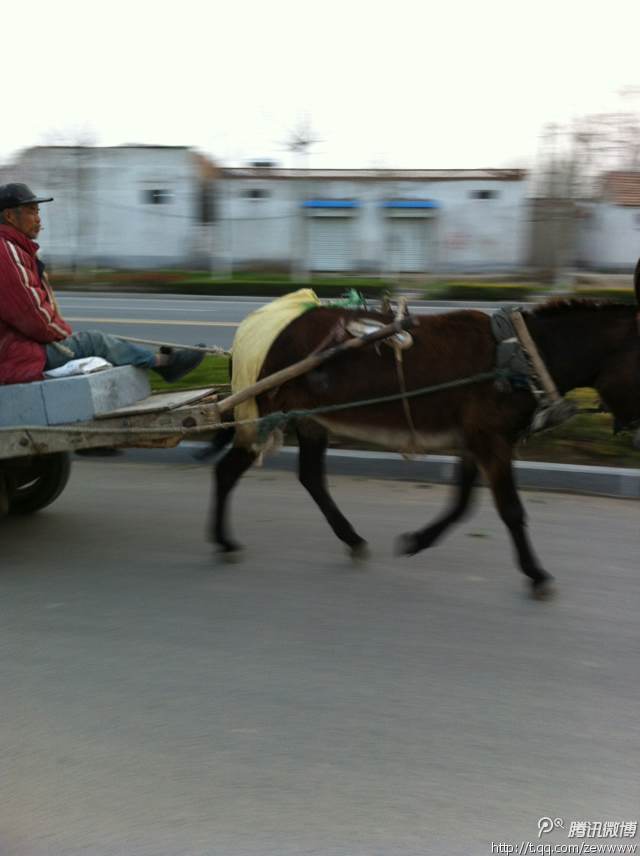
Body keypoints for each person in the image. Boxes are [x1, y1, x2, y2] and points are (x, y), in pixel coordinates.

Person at [0, 182, 204, 385]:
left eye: (37, 211)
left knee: (93, 343)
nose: (38, 218)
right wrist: (64, 335)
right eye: (32, 211)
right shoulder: (6, 251)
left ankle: (160, 363)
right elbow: (34, 317)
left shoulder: (15, 249)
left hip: (16, 350)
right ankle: (164, 364)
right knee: (93, 341)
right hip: (15, 357)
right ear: (9, 216)